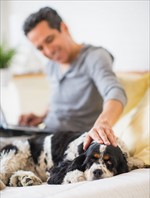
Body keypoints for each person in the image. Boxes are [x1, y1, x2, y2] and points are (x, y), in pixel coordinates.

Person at [19, 7, 127, 150]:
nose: (48, 51)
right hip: (45, 134)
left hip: (69, 143)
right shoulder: (52, 66)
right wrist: (42, 117)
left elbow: (115, 91)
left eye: (50, 39)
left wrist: (103, 123)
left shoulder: (95, 57)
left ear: (64, 28)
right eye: (40, 48)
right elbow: (58, 99)